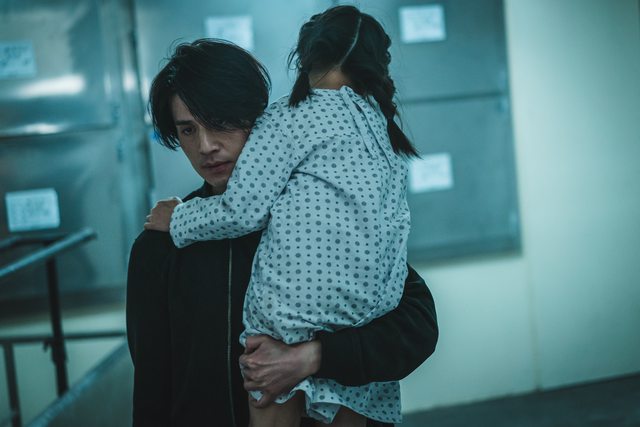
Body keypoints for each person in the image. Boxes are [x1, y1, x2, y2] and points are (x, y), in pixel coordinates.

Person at [130, 38, 437, 427]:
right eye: (188, 130)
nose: (206, 146)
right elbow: (152, 385)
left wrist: (314, 357)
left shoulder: (320, 217)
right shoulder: (160, 247)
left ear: (260, 120)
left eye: (220, 123)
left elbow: (416, 328)